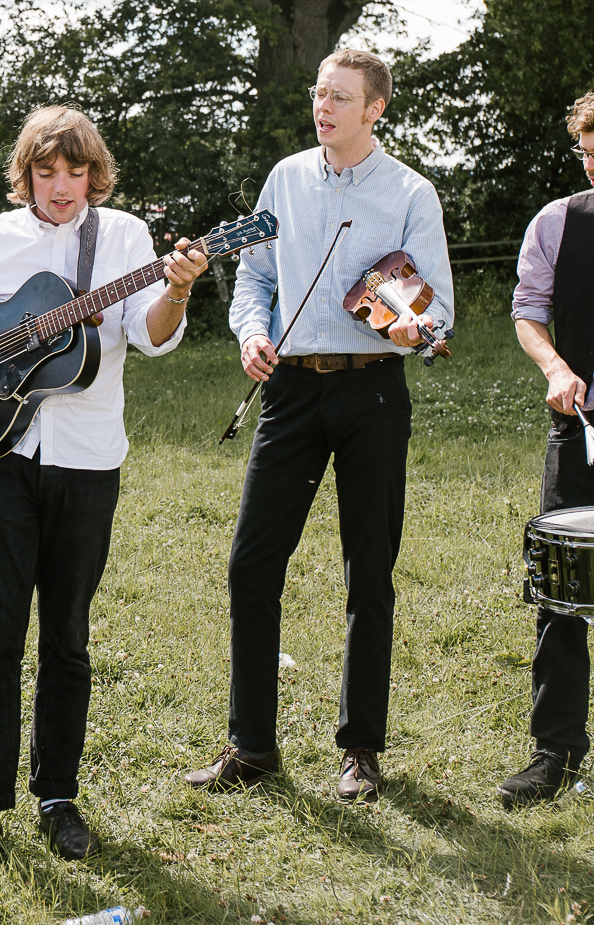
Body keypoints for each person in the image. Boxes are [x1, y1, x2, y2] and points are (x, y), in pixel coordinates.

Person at [0, 105, 209, 875]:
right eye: (45, 171)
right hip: (1, 451)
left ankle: (58, 797)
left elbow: (150, 336)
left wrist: (181, 291)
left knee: (67, 636)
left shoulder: (125, 238)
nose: (61, 186)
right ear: (25, 173)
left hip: (89, 458)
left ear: (94, 173)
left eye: (75, 171)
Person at [185, 50, 453, 804]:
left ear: (375, 110)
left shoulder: (410, 191)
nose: (323, 106)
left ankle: (360, 749)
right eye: (318, 92)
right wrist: (249, 334)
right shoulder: (287, 178)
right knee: (250, 565)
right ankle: (251, 745)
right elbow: (257, 278)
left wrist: (404, 319)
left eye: (340, 97)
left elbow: (438, 315)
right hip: (292, 393)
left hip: (372, 395)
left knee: (369, 573)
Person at [500, 92, 594, 806]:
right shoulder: (557, 221)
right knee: (563, 589)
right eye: (587, 151)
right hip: (580, 430)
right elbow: (530, 310)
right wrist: (556, 368)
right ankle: (556, 750)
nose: (592, 165)